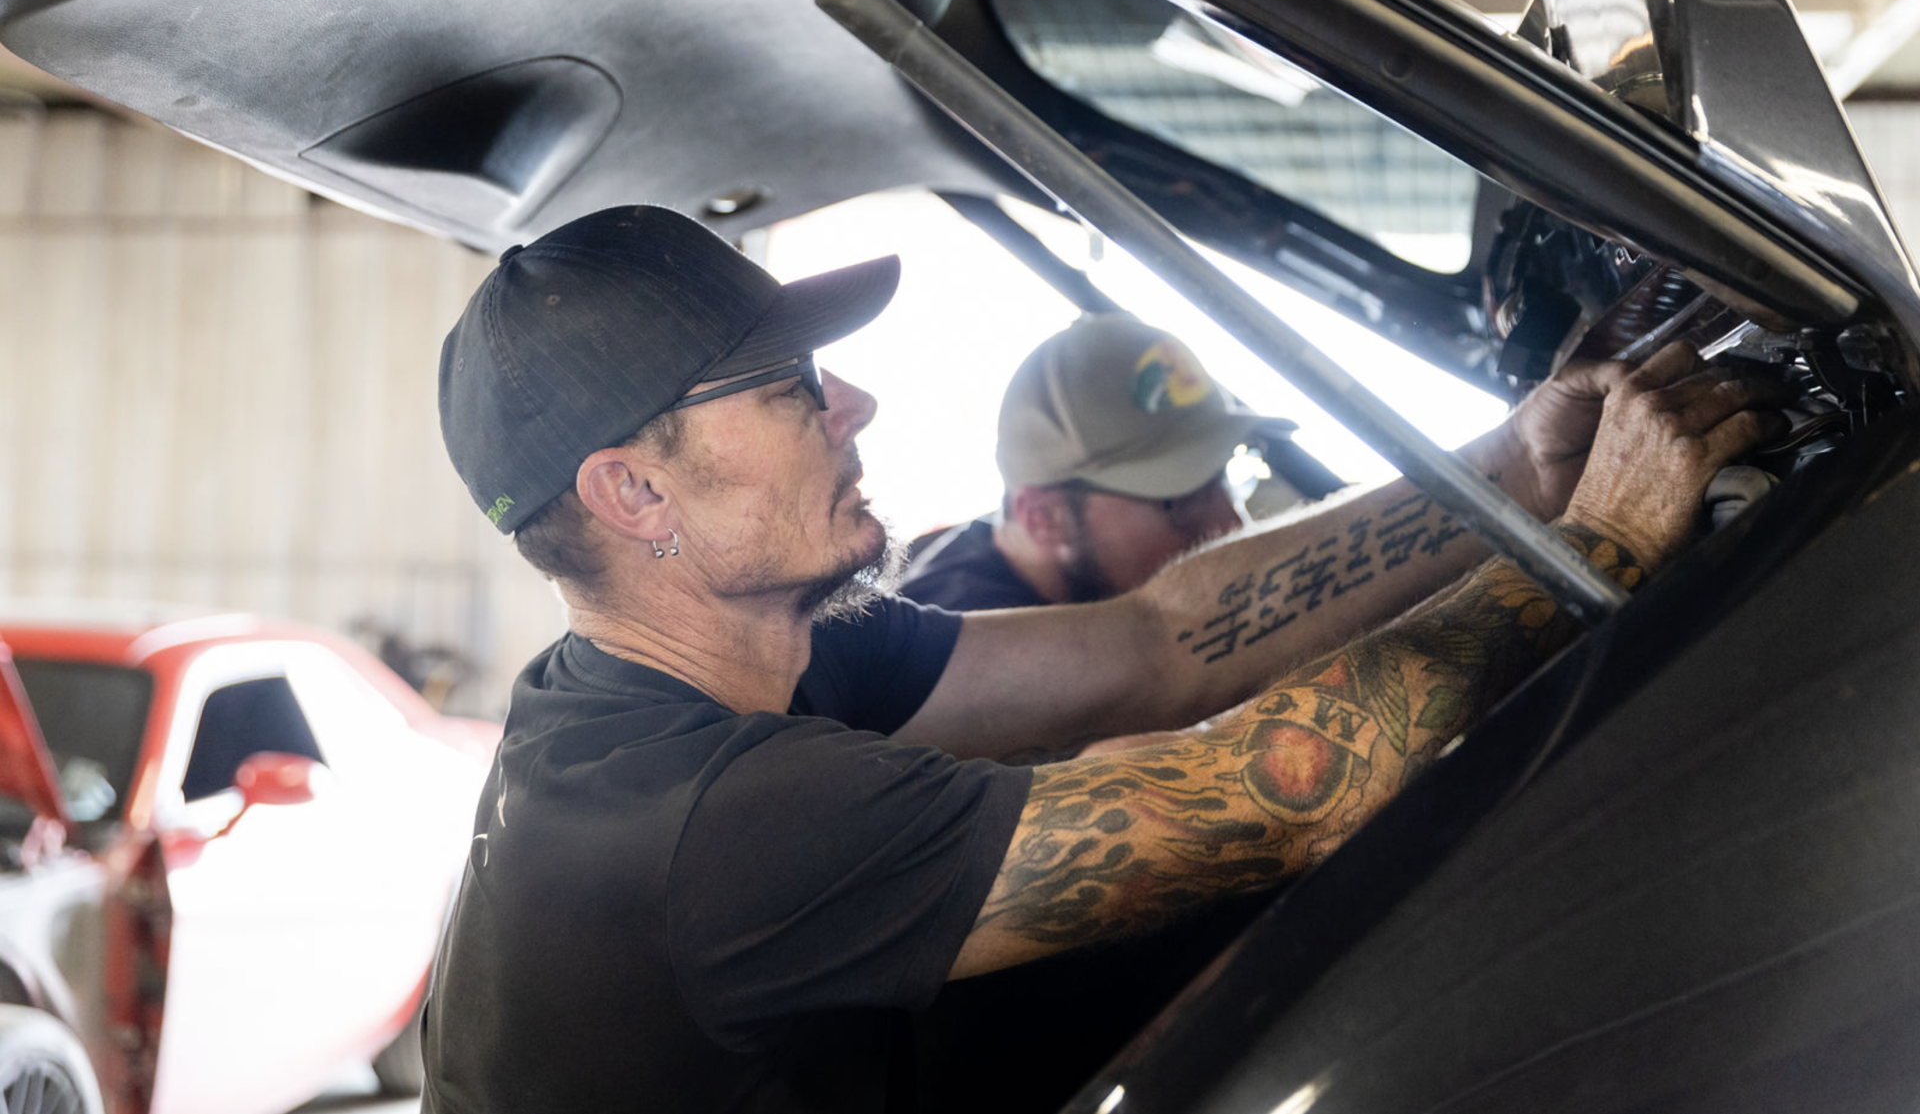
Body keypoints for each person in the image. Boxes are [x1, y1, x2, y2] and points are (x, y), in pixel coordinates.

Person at [421, 205, 1782, 1114]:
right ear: (632, 495)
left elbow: (1161, 644)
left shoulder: (744, 662)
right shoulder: (717, 822)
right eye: (789, 389)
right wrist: (1597, 548)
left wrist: (1511, 473)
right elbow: (1278, 789)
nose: (855, 405)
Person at [900, 312, 1343, 613]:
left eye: (1226, 477)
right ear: (1043, 518)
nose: (1232, 525)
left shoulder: (1047, 557)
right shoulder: (961, 657)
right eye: (1180, 502)